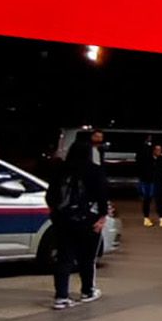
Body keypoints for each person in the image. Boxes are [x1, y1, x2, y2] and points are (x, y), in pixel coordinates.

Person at [51, 131, 111, 309]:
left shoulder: (60, 170)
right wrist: (102, 217)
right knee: (87, 257)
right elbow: (102, 196)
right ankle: (87, 290)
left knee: (64, 258)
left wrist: (56, 213)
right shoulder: (94, 170)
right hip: (88, 220)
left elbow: (50, 196)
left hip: (63, 219)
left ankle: (61, 296)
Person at [139, 142, 162, 227]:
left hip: (158, 183)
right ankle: (146, 218)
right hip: (148, 182)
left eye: (160, 150)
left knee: (159, 201)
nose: (159, 151)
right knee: (147, 200)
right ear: (153, 151)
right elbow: (142, 170)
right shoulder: (147, 159)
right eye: (157, 150)